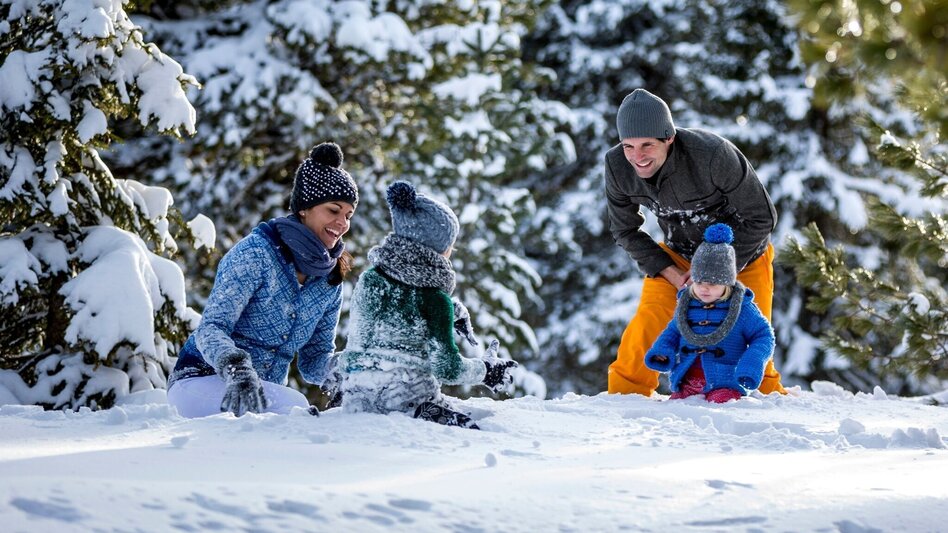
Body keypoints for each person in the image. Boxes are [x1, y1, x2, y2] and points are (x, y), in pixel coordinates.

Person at [605, 88, 785, 396]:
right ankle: (624, 398)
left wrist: (719, 271)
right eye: (628, 146)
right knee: (647, 325)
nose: (637, 156)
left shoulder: (713, 155)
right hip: (679, 258)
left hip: (743, 253)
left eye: (647, 144)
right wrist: (671, 273)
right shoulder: (617, 167)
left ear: (669, 137)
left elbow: (762, 217)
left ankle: (765, 404)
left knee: (751, 339)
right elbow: (626, 231)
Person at [167, 142, 358, 417]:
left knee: (297, 414)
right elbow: (212, 329)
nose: (342, 222)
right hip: (200, 381)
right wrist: (237, 368)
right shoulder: (257, 253)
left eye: (348, 215)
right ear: (304, 208)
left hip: (263, 397)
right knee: (296, 410)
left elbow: (314, 362)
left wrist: (345, 369)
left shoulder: (329, 280)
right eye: (333, 210)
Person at [337, 181, 518, 430]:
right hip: (411, 405)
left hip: (356, 399)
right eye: (449, 246)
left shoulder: (371, 280)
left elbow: (388, 326)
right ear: (436, 249)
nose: (451, 252)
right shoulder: (434, 299)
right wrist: (486, 370)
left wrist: (451, 312)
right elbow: (448, 369)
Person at [644, 224, 775, 402]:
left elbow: (764, 336)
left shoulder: (742, 308)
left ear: (727, 284)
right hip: (688, 381)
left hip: (726, 382)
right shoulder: (687, 304)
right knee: (677, 407)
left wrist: (753, 361)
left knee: (720, 405)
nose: (704, 288)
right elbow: (674, 331)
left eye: (712, 284)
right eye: (699, 282)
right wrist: (663, 350)